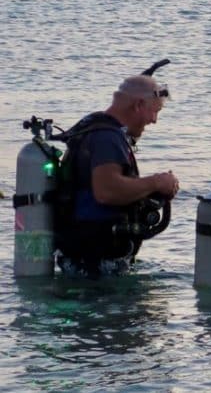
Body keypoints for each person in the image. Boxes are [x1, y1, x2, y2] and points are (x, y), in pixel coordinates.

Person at [55, 74, 180, 277]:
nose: (154, 120)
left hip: (84, 258)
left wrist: (150, 190)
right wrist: (157, 182)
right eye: (155, 111)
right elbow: (107, 191)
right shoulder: (107, 138)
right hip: (96, 264)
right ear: (139, 105)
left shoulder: (95, 129)